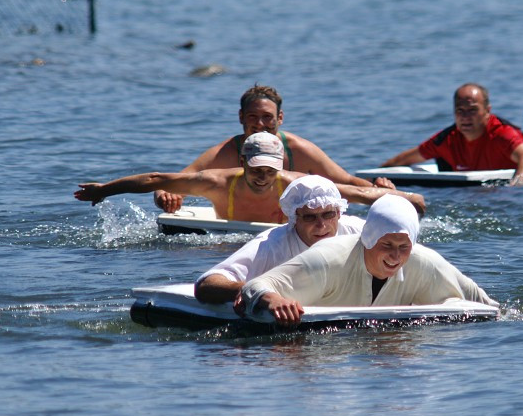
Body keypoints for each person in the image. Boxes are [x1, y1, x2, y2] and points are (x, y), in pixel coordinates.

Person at [240, 194, 498, 326]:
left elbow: (486, 305)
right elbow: (254, 285)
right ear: (368, 239)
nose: (395, 256)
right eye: (386, 245)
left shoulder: (424, 262)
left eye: (403, 247)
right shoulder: (327, 259)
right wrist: (273, 299)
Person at [75, 133, 425, 223]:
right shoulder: (215, 182)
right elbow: (155, 179)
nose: (261, 176)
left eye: (268, 170)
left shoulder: (294, 183)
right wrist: (106, 190)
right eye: (255, 168)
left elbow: (354, 193)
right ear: (243, 160)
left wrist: (410, 201)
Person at [154, 84, 392, 214]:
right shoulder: (225, 152)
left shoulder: (299, 150)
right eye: (252, 117)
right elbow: (174, 181)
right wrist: (166, 195)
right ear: (240, 117)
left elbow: (346, 180)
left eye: (267, 117)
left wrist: (381, 191)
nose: (259, 124)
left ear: (280, 118)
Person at [194, 175, 365, 304]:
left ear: (339, 212)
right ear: (294, 218)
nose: (322, 225)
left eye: (328, 214)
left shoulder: (360, 232)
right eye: (310, 217)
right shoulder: (271, 244)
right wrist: (260, 293)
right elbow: (206, 284)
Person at [380, 83, 523, 186]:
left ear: (487, 111)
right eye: (460, 111)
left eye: (472, 110)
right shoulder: (447, 139)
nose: (465, 117)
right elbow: (403, 160)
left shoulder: (501, 133)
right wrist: (374, 179)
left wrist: (516, 186)